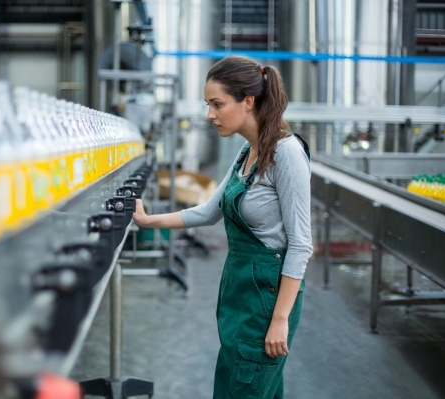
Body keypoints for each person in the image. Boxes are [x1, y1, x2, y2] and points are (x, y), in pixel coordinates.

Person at [132, 56, 312, 399]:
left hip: (267, 298)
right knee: (245, 384)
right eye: (207, 104)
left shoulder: (286, 154)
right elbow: (208, 211)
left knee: (244, 387)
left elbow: (301, 244)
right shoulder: (247, 151)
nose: (209, 115)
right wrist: (146, 219)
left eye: (217, 104)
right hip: (241, 291)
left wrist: (279, 320)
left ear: (248, 101)